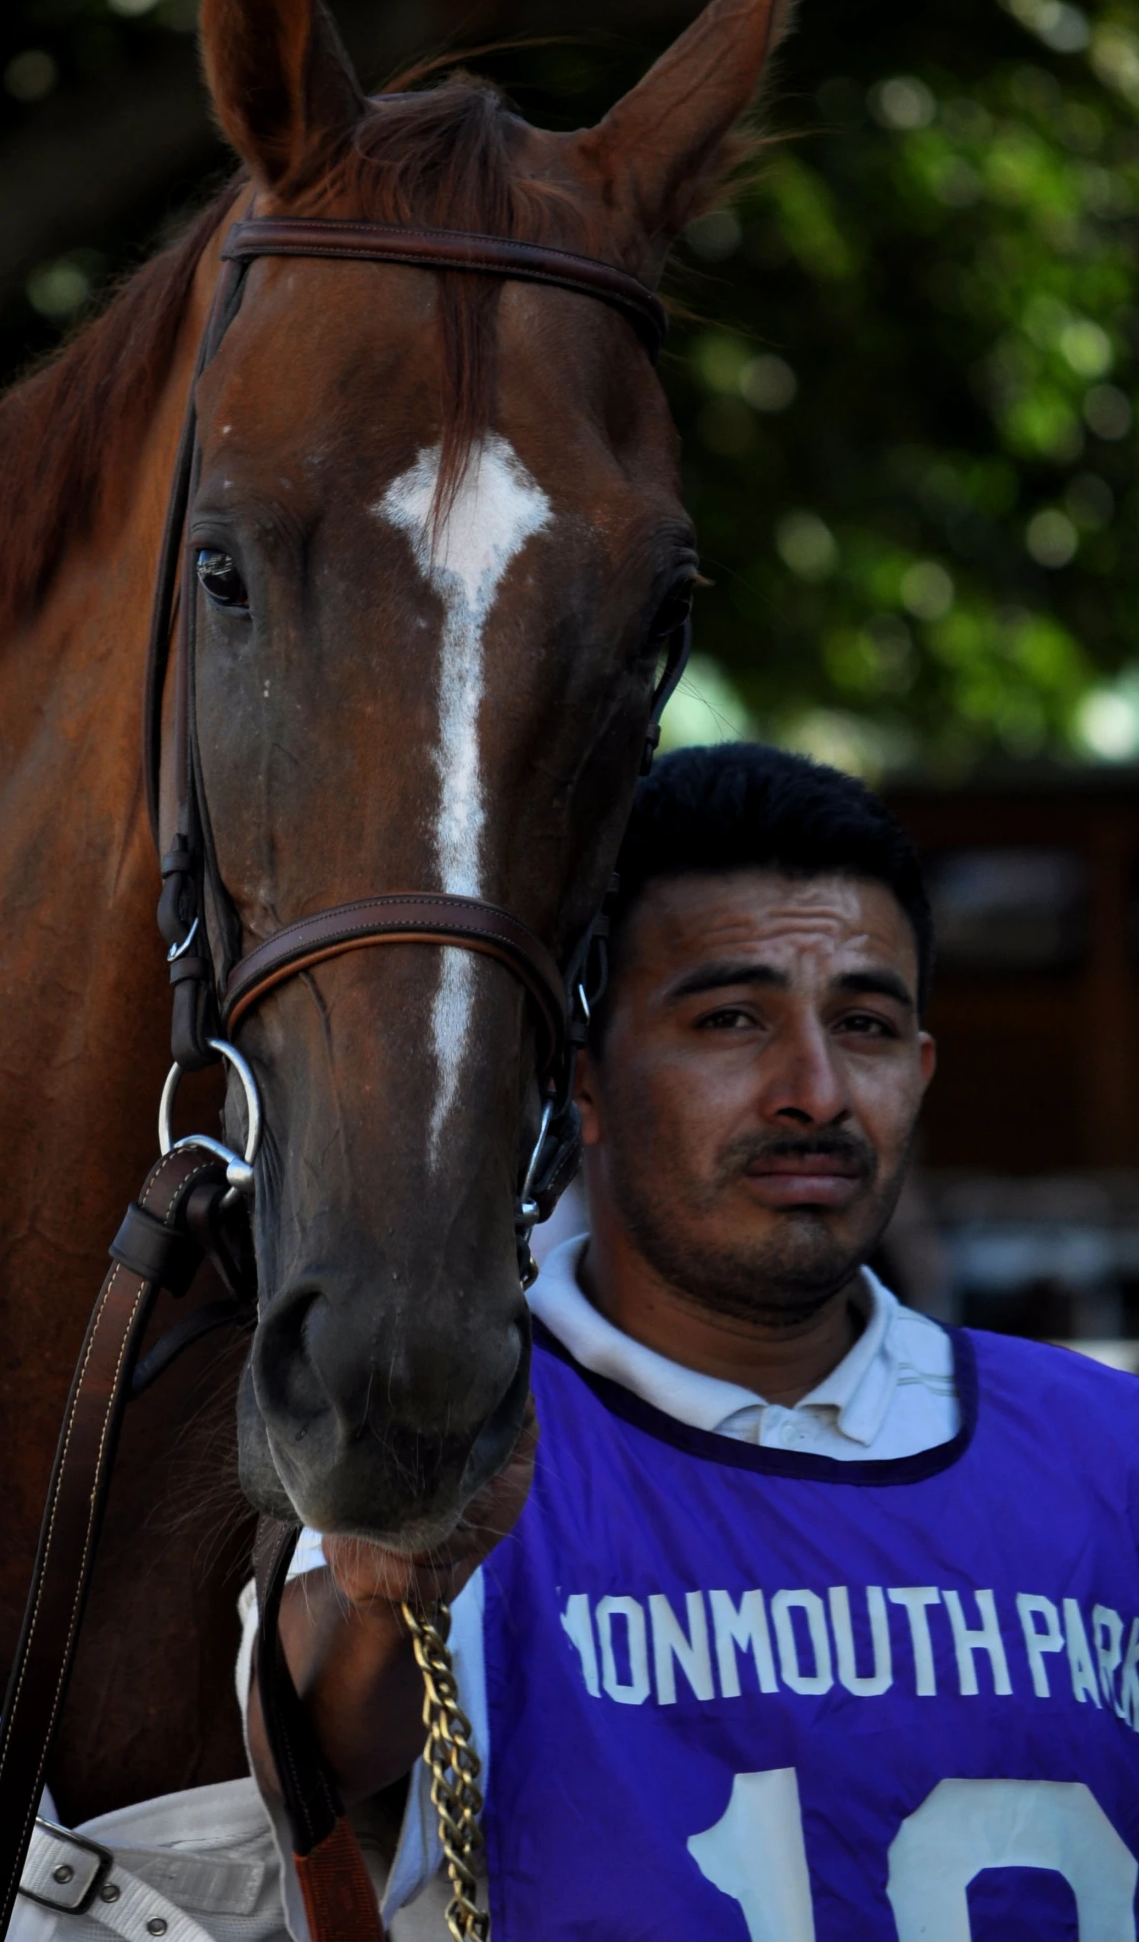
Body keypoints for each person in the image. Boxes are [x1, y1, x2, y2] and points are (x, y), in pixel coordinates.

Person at [246, 742, 1139, 1941]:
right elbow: (306, 1769)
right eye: (731, 1016)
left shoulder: (1107, 1449)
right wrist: (389, 1574)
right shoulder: (459, 1440)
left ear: (920, 1072)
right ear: (580, 1081)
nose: (814, 1091)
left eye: (865, 1023)